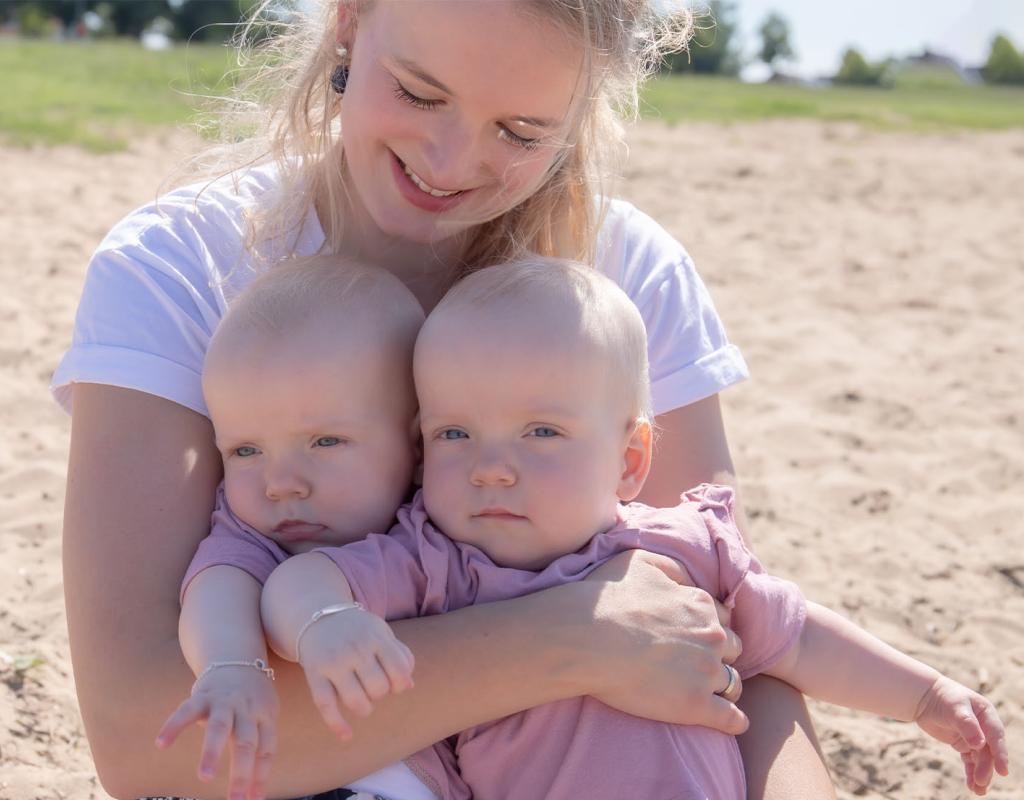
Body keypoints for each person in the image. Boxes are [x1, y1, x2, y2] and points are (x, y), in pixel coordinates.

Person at [53, 1, 838, 797]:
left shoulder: (625, 280)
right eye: (421, 94)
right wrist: (571, 642)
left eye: (522, 133)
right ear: (349, 21)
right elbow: (140, 736)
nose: (451, 159)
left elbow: (738, 644)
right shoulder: (177, 268)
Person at [257, 258, 1010, 800]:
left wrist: (923, 695)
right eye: (456, 434)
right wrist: (324, 622)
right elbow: (302, 578)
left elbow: (796, 638)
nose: (491, 467)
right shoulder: (440, 563)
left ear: (630, 459)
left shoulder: (681, 546)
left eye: (541, 432)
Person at [155, 256, 435, 800]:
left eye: (325, 442)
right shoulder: (259, 533)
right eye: (246, 450)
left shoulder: (441, 520)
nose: (280, 482)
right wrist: (231, 664)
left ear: (420, 446)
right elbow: (219, 582)